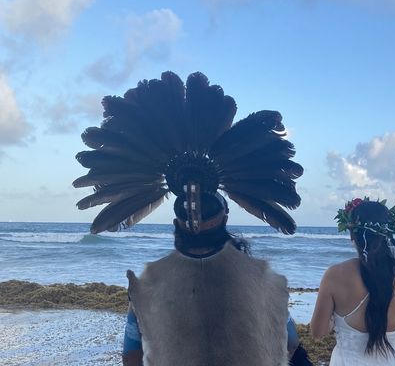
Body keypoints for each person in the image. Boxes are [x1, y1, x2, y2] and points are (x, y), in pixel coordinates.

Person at [73, 72, 306, 366]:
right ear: (225, 219)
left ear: (175, 226)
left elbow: (132, 355)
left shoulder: (150, 286)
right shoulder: (262, 281)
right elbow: (290, 346)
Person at [310, 198, 395, 365]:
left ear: (352, 234)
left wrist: (334, 320)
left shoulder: (334, 275)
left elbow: (318, 332)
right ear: (388, 233)